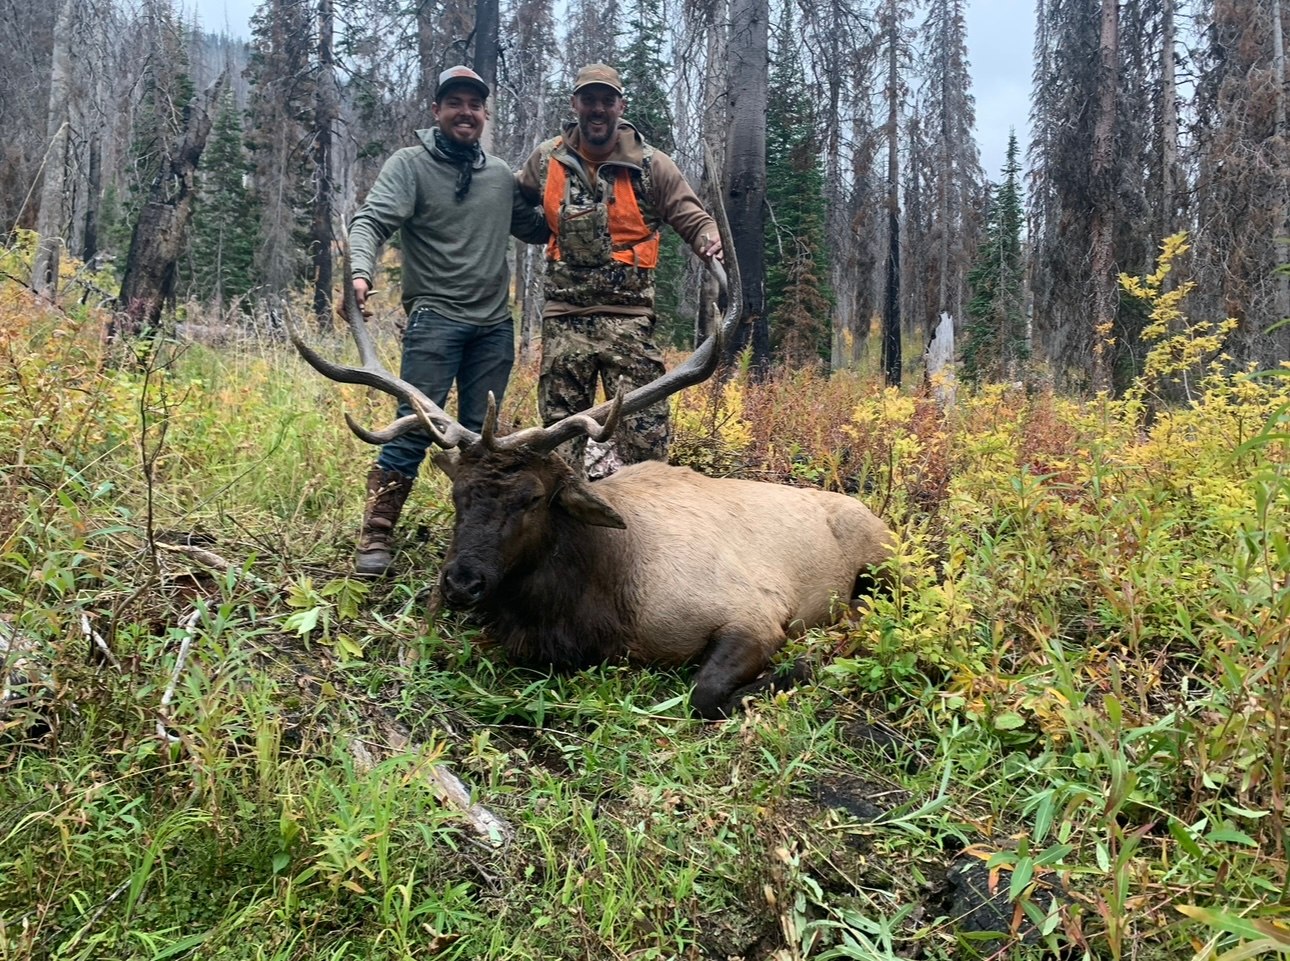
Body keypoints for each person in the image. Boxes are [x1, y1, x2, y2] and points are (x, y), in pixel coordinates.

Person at [347, 65, 549, 576]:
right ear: (436, 111)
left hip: (494, 326)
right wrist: (359, 273)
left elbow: (540, 228)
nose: (466, 112)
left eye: (475, 105)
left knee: (484, 444)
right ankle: (376, 535)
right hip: (435, 318)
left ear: (484, 115)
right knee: (418, 425)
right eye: (455, 103)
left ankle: (474, 542)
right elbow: (371, 221)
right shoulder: (410, 166)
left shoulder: (500, 176)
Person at [516, 63, 723, 473]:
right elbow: (514, 202)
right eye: (588, 99)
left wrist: (709, 240)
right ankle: (566, 533)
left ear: (620, 106)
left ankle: (654, 529)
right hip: (564, 323)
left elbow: (692, 217)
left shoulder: (652, 166)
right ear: (575, 104)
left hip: (628, 323)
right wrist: (540, 230)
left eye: (606, 100)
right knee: (559, 449)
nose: (597, 109)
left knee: (646, 443)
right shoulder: (545, 160)